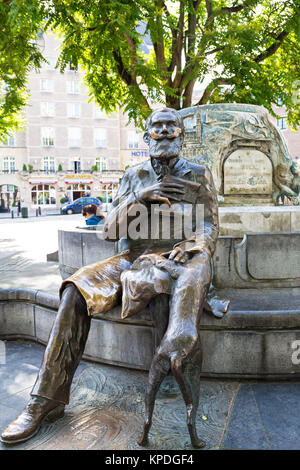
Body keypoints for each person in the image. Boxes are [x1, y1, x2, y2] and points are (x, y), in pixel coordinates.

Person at [1, 107, 228, 446]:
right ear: (147, 133)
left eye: (171, 125)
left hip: (178, 257)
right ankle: (44, 400)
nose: (165, 131)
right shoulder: (134, 174)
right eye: (158, 126)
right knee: (75, 288)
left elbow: (210, 224)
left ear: (181, 133)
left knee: (173, 283)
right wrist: (140, 197)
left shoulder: (198, 173)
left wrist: (194, 244)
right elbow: (109, 230)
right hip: (132, 257)